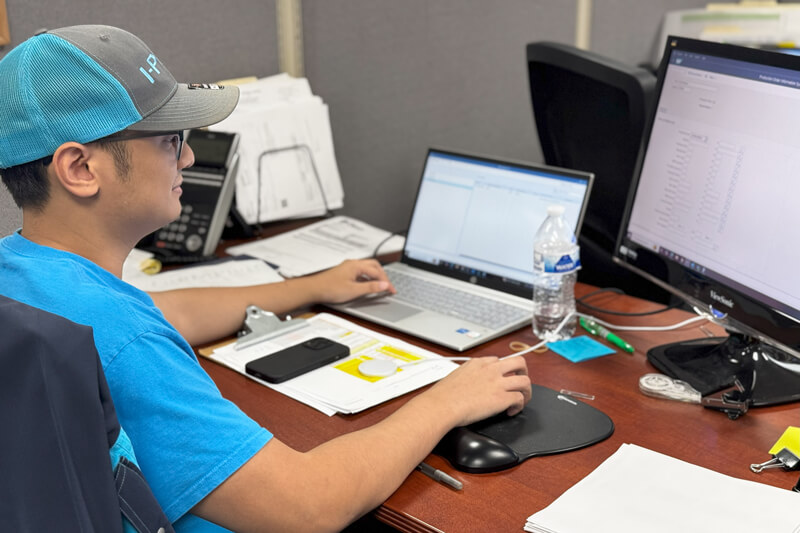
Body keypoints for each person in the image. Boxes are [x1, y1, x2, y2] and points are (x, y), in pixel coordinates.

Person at [0, 25, 531, 532]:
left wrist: (312, 287)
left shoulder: (25, 274)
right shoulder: (123, 339)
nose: (186, 155)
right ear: (80, 169)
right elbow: (308, 506)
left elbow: (166, 315)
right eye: (168, 139)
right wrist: (446, 401)